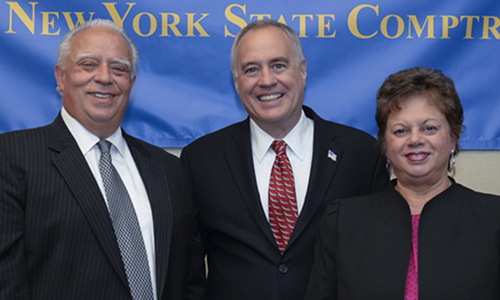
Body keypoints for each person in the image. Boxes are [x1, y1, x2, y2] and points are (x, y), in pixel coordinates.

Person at [180, 19, 388, 300]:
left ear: (302, 71)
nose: (266, 81)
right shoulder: (201, 160)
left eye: (278, 65)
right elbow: (187, 272)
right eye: (251, 69)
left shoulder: (361, 153)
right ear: (237, 82)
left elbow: (379, 260)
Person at [0, 19, 205, 300]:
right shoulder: (12, 157)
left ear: (131, 83)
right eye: (88, 65)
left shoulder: (169, 169)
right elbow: (6, 281)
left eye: (119, 68)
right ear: (61, 77)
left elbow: (190, 280)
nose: (105, 77)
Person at [305, 67, 500, 300]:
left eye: (429, 128)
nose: (415, 139)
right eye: (401, 130)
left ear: (453, 138)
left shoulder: (493, 220)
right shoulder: (341, 222)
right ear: (385, 144)